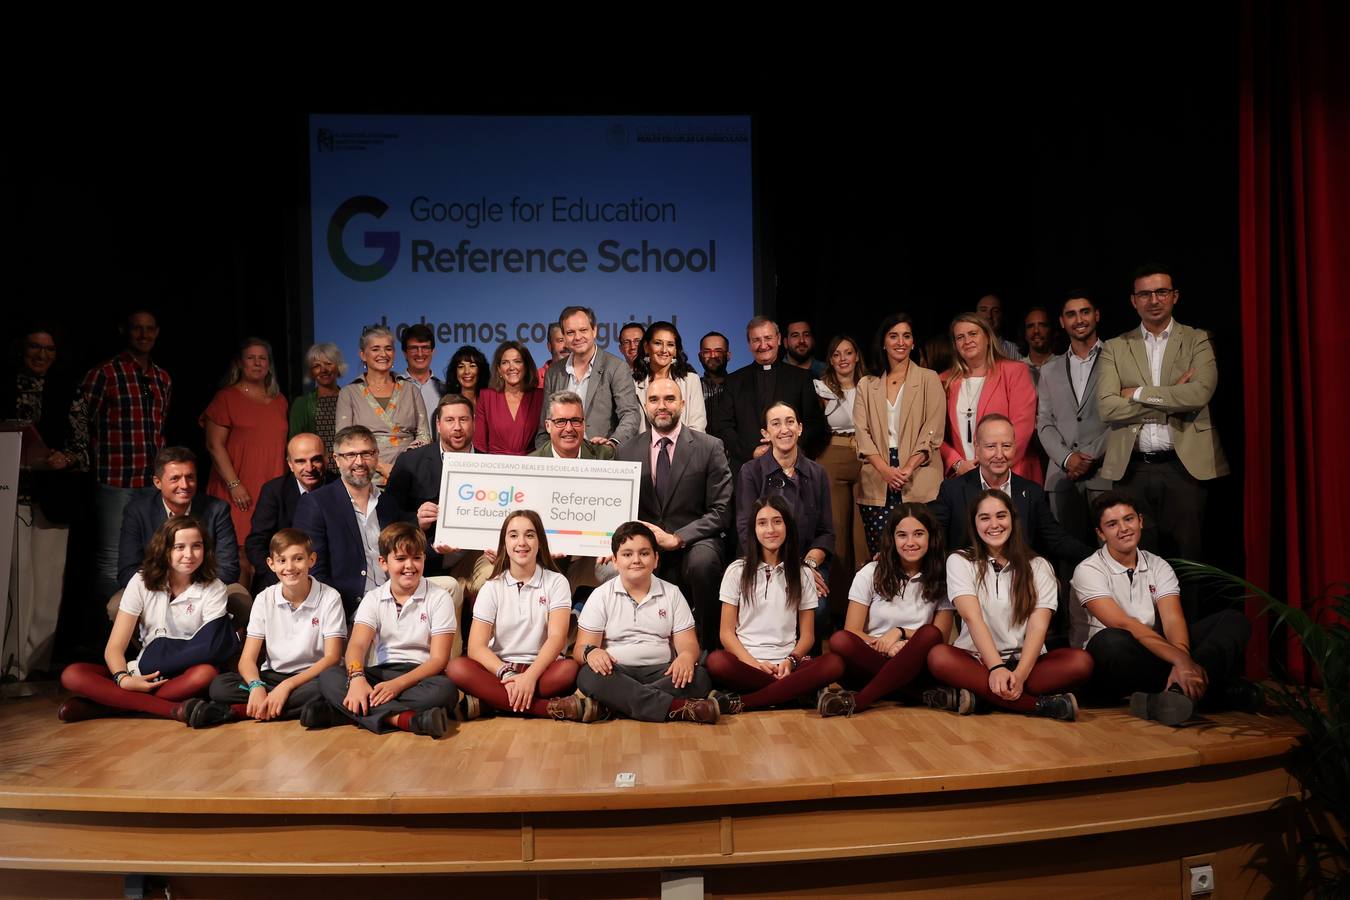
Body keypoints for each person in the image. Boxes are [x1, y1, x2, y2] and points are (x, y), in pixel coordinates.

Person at [1071, 492, 1253, 725]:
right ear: (1100, 533)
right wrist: (1180, 661)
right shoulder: (1088, 569)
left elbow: (1173, 620)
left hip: (1157, 652)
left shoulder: (1158, 565)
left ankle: (1174, 692)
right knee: (1112, 641)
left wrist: (1183, 660)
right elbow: (1125, 624)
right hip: (1113, 661)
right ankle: (1216, 692)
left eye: (1129, 519)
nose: (1124, 528)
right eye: (1112, 524)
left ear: (1141, 521)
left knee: (1233, 619)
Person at [1096, 263, 1228, 566]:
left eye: (1161, 292)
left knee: (1188, 560)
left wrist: (1139, 393)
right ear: (1133, 301)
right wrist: (1172, 396)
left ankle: (1187, 617)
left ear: (1174, 296)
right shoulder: (1115, 347)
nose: (1153, 300)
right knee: (1137, 561)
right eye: (1144, 294)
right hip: (1132, 470)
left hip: (1183, 468)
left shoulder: (1198, 339)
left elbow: (1198, 394)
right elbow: (1107, 407)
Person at [925, 491, 1093, 720]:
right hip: (978, 662)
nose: (994, 524)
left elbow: (1038, 627)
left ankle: (982, 698)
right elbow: (973, 618)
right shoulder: (960, 561)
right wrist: (995, 668)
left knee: (1080, 662)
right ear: (974, 525)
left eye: (1001, 516)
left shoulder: (1039, 565)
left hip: (1027, 663)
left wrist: (1021, 675)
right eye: (984, 518)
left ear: (1013, 520)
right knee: (939, 656)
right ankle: (1039, 706)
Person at [58, 516, 228, 725]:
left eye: (196, 546)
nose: (189, 555)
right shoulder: (141, 581)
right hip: (144, 670)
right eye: (179, 547)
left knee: (205, 673)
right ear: (164, 550)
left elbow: (209, 647)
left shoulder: (214, 587)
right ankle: (174, 710)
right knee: (72, 674)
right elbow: (115, 648)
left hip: (182, 674)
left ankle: (109, 704)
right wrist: (124, 679)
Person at [610, 377, 733, 650]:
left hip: (695, 540)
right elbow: (619, 508)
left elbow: (721, 511)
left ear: (683, 404)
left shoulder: (709, 446)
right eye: (654, 400)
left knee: (703, 563)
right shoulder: (626, 451)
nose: (661, 406)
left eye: (669, 399)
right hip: (645, 542)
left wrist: (678, 538)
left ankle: (710, 649)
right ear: (645, 405)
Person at [445, 510, 599, 722]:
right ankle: (550, 709)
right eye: (513, 535)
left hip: (542, 669)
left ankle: (490, 702)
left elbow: (557, 638)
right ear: (504, 543)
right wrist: (507, 674)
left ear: (539, 542)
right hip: (499, 669)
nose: (521, 542)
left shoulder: (556, 582)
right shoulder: (492, 587)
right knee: (456, 667)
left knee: (569, 670)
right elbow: (475, 647)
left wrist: (529, 677)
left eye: (529, 534)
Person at [309, 523, 456, 738]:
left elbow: (438, 660)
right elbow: (357, 645)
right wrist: (358, 678)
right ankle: (406, 720)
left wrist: (396, 686)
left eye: (417, 558)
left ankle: (347, 712)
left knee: (446, 690)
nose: (410, 565)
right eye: (400, 559)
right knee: (329, 676)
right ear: (383, 563)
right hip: (380, 673)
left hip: (419, 676)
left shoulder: (439, 597)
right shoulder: (374, 598)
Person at [2, 325, 88, 679]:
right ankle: (11, 663)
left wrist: (64, 459)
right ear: (22, 349)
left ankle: (35, 662)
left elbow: (83, 450)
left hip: (54, 495)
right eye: (35, 348)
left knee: (49, 582)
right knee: (16, 581)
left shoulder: (68, 391)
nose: (41, 355)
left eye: (48, 350)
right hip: (12, 494)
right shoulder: (6, 386)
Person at [705, 497, 844, 712]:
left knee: (834, 663)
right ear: (753, 529)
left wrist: (791, 661)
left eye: (777, 521)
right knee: (716, 662)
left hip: (788, 663)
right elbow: (726, 633)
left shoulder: (803, 573)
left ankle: (743, 702)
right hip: (747, 664)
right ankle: (797, 693)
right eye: (762, 523)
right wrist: (753, 664)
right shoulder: (736, 571)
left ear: (787, 526)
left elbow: (807, 636)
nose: (770, 529)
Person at [574, 522, 721, 723]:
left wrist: (686, 656)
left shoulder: (672, 593)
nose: (636, 560)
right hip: (616, 672)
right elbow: (581, 647)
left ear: (656, 559)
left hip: (662, 670)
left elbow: (688, 644)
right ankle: (679, 709)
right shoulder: (601, 596)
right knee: (587, 676)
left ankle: (613, 705)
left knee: (700, 677)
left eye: (644, 553)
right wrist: (591, 652)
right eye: (627, 554)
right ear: (615, 561)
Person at [202, 528, 346, 723]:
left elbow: (332, 657)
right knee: (220, 686)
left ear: (312, 560)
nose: (290, 567)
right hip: (272, 677)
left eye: (298, 558)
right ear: (271, 564)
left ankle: (250, 710)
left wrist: (287, 686)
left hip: (313, 677)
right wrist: (255, 686)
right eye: (282, 560)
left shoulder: (330, 597)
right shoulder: (264, 599)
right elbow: (247, 659)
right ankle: (282, 707)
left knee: (330, 685)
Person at [824, 504, 955, 716]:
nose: (910, 542)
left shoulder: (943, 578)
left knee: (929, 634)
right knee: (839, 640)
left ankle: (861, 700)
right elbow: (852, 631)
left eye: (919, 534)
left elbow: (940, 638)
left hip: (916, 661)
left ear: (931, 538)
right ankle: (920, 695)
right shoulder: (871, 572)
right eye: (902, 535)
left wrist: (900, 634)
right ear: (892, 539)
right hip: (873, 656)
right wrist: (885, 645)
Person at [81, 309, 172, 602]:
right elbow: (82, 422)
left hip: (151, 482)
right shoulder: (104, 373)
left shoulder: (161, 378)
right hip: (115, 480)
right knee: (111, 559)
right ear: (125, 331)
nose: (144, 335)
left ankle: (144, 634)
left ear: (157, 333)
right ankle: (109, 634)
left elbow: (160, 425)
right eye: (137, 329)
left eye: (149, 329)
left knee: (154, 554)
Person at [931, 414, 1093, 568]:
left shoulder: (1031, 492)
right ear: (977, 447)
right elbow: (935, 541)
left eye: (1006, 446)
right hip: (967, 581)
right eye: (991, 447)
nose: (999, 454)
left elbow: (1056, 540)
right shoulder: (952, 490)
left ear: (1015, 447)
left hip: (1018, 580)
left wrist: (1102, 557)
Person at [735, 401, 834, 642]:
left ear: (800, 428)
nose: (784, 429)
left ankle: (808, 669)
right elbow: (745, 528)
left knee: (818, 611)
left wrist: (807, 566)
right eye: (776, 424)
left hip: (807, 563)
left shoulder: (817, 473)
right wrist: (779, 567)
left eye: (790, 422)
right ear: (765, 434)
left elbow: (826, 532)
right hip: (764, 563)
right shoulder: (750, 472)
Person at [113, 447, 244, 624]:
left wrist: (189, 590)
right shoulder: (137, 512)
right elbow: (127, 570)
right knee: (115, 606)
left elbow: (229, 569)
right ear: (157, 482)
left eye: (190, 477)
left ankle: (214, 649)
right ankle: (152, 648)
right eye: (175, 478)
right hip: (155, 587)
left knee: (240, 599)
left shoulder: (217, 510)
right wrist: (170, 588)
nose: (185, 485)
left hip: (206, 586)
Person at [853, 314, 946, 558]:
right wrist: (885, 469)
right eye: (893, 336)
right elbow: (861, 433)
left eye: (906, 336)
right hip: (877, 478)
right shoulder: (866, 384)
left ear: (913, 343)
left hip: (918, 475)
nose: (900, 342)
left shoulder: (929, 378)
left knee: (920, 553)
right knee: (882, 554)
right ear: (883, 342)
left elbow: (933, 429)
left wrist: (907, 467)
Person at [202, 337, 289, 585]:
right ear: (240, 363)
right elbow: (213, 445)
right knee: (239, 556)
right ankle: (240, 620)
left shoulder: (279, 400)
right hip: (238, 488)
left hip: (271, 486)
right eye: (251, 358)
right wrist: (234, 484)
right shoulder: (226, 398)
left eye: (262, 358)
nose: (257, 363)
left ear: (269, 364)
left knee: (269, 552)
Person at [386, 394, 490, 599]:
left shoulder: (490, 465)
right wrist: (417, 522)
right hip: (430, 558)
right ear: (438, 425)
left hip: (478, 556)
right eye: (450, 420)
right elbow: (387, 522)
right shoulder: (410, 463)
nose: (457, 427)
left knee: (494, 579)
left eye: (463, 419)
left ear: (474, 423)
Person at [293, 425, 399, 616]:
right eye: (350, 455)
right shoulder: (316, 503)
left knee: (448, 589)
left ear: (376, 455)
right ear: (336, 460)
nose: (359, 462)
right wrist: (338, 612)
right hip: (348, 607)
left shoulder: (388, 502)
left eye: (366, 454)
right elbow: (312, 570)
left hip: (395, 597)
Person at [1036, 293, 1111, 548]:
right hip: (1062, 478)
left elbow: (1125, 417)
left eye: (1085, 312)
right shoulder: (1049, 369)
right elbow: (1044, 422)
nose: (1079, 319)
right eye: (1071, 314)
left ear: (1096, 315)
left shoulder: (1117, 358)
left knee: (1113, 555)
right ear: (1061, 321)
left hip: (1107, 474)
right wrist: (1069, 459)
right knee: (1069, 561)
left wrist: (1088, 456)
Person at [710, 317, 828, 472]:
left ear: (778, 339)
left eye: (768, 338)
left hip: (792, 466)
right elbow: (723, 426)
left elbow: (814, 423)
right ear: (749, 344)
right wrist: (750, 451)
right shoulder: (734, 381)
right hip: (747, 467)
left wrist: (787, 448)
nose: (763, 345)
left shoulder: (802, 378)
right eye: (756, 340)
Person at [941, 313, 1043, 484]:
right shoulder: (943, 381)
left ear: (988, 337)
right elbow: (934, 435)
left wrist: (989, 466)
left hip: (1011, 474)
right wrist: (957, 463)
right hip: (963, 477)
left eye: (973, 334)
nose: (967, 341)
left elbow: (1022, 426)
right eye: (960, 337)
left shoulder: (1014, 372)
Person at [813, 334, 871, 607]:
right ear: (830, 360)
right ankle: (837, 606)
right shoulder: (821, 389)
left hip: (866, 457)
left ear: (857, 356)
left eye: (848, 353)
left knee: (863, 535)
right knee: (837, 532)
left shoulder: (872, 386)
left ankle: (864, 605)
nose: (843, 359)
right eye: (836, 354)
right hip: (833, 456)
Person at [535, 306, 641, 449]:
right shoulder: (554, 372)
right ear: (564, 337)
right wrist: (547, 455)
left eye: (583, 330)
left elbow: (630, 415)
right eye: (570, 332)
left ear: (594, 331)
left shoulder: (616, 367)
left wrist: (612, 444)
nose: (578, 337)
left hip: (601, 458)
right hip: (560, 460)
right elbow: (544, 426)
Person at [336, 325, 430, 486]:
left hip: (408, 476)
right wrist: (378, 466)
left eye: (388, 349)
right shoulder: (349, 393)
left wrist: (401, 466)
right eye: (375, 349)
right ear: (363, 355)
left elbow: (424, 436)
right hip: (364, 478)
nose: (383, 354)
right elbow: (343, 442)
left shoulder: (411, 390)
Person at [245, 433, 330, 590]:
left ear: (326, 459)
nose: (309, 468)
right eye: (300, 461)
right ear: (290, 464)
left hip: (329, 579)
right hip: (279, 577)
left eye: (316, 459)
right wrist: (281, 578)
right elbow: (256, 543)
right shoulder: (274, 491)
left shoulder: (339, 487)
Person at [632, 320, 707, 433]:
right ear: (646, 347)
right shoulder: (632, 383)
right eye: (658, 343)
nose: (664, 350)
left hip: (685, 449)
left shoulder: (691, 380)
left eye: (670, 345)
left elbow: (698, 426)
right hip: (642, 449)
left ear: (676, 350)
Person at [474, 341, 544, 456]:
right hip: (494, 468)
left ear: (526, 366)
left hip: (531, 466)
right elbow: (479, 444)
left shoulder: (540, 397)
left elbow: (546, 440)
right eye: (505, 363)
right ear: (499, 369)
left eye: (517, 362)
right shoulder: (486, 397)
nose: (511, 367)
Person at [289, 342, 347, 465]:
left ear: (338, 366)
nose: (323, 370)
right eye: (317, 366)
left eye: (328, 364)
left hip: (347, 467)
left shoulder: (350, 398)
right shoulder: (301, 404)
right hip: (315, 470)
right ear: (311, 371)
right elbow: (294, 443)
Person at [530, 391, 615, 461]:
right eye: (560, 421)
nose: (569, 428)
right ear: (548, 426)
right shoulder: (531, 463)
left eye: (575, 421)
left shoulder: (605, 456)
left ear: (584, 424)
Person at [401, 324, 445, 422]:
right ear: (405, 353)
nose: (420, 354)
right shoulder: (394, 387)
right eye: (414, 348)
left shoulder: (445, 390)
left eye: (425, 347)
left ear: (433, 351)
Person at [976, 294, 1023, 361]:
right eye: (983, 310)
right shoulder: (965, 349)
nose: (989, 316)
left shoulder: (1016, 351)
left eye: (995, 311)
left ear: (1003, 316)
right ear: (976, 315)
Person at [698, 331, 731, 407]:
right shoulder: (691, 388)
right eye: (706, 352)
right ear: (700, 357)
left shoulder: (739, 387)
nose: (713, 356)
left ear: (728, 356)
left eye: (718, 351)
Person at [1023, 307, 1057, 377]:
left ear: (1051, 330)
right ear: (1025, 333)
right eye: (1030, 326)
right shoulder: (1017, 368)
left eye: (1042, 325)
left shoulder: (1064, 364)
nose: (1036, 331)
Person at [536, 322, 567, 388]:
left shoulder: (586, 374)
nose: (566, 346)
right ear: (549, 346)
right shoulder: (535, 379)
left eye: (568, 340)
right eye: (560, 340)